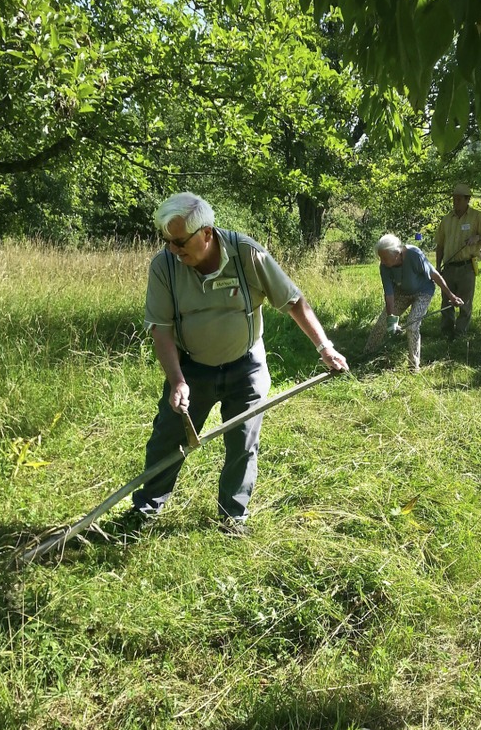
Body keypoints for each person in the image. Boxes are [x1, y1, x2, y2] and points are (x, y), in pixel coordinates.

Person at [126, 192, 348, 534]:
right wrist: (177, 380)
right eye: (167, 241)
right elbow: (162, 329)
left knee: (243, 441)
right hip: (192, 368)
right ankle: (146, 509)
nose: (173, 249)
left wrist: (325, 348)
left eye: (179, 242)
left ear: (207, 233)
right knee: (168, 438)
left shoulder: (247, 254)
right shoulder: (165, 266)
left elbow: (293, 300)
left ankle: (233, 516)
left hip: (246, 366)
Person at [364, 234, 463, 373]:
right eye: (380, 258)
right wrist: (391, 319)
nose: (382, 261)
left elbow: (434, 275)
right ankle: (367, 355)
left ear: (397, 254)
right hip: (401, 292)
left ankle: (413, 365)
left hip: (423, 292)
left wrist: (451, 296)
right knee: (382, 322)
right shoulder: (384, 267)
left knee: (412, 325)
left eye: (385, 258)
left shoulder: (413, 254)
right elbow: (389, 294)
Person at [435, 183, 481, 338]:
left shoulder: (477, 217)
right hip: (449, 267)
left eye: (459, 199)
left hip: (467, 266)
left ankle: (460, 333)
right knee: (446, 301)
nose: (456, 202)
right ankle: (446, 333)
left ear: (467, 200)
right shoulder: (446, 219)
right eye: (454, 199)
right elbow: (439, 244)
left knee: (464, 302)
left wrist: (477, 237)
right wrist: (438, 266)